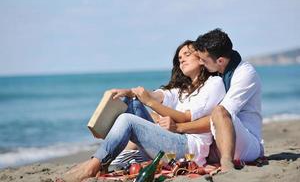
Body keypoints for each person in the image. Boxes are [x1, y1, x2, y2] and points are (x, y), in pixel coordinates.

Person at [59, 40, 226, 182]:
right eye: (179, 58)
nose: (181, 60)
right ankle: (104, 137)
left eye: (187, 55)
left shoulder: (213, 83)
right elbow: (154, 95)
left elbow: (185, 118)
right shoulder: (182, 90)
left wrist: (149, 102)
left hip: (189, 148)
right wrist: (129, 91)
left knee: (127, 120)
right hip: (173, 139)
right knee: (130, 102)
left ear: (201, 57)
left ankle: (94, 165)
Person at [182, 28, 263, 173]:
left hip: (247, 144)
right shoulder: (220, 71)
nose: (200, 62)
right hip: (220, 138)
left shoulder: (244, 74)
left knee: (219, 110)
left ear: (220, 60)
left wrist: (179, 127)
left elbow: (222, 115)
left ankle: (226, 163)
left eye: (203, 60)